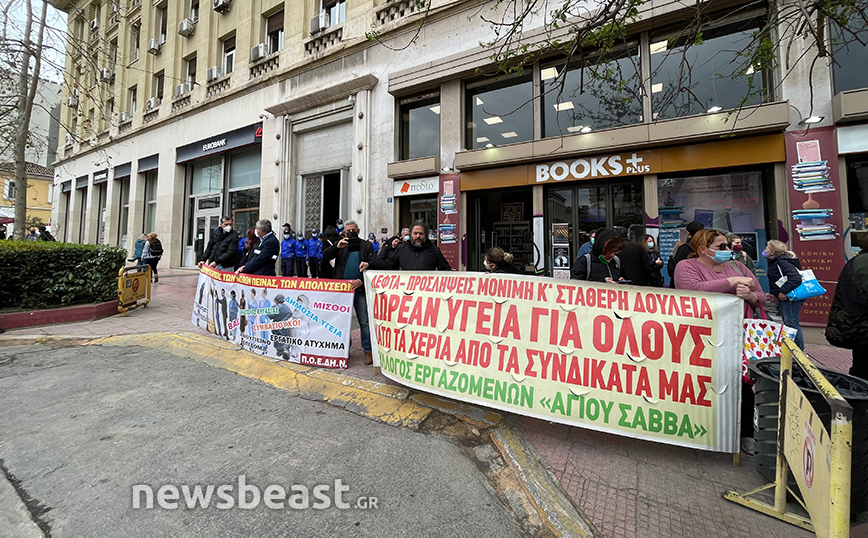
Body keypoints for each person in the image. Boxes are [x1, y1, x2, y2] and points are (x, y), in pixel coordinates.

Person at [673, 229, 767, 450]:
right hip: (700, 339)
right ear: (703, 249)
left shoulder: (739, 267)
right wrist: (732, 282)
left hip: (736, 339)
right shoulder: (687, 267)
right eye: (721, 246)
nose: (728, 250)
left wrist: (751, 296)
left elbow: (761, 296)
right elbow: (693, 290)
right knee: (701, 383)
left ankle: (745, 433)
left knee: (740, 384)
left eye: (727, 245)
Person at [322, 219, 381, 366]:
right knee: (342, 321)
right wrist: (336, 246)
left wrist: (362, 278)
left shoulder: (366, 245)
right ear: (344, 232)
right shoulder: (340, 245)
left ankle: (368, 350)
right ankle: (343, 349)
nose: (351, 233)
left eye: (353, 230)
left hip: (360, 288)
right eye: (348, 231)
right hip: (342, 290)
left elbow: (374, 263)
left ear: (358, 231)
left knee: (364, 321)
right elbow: (325, 256)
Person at [826, 235, 868, 380]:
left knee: (861, 368)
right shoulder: (863, 264)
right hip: (862, 328)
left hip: (857, 329)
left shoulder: (857, 261)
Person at [764, 240, 805, 350]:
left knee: (791, 323)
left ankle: (799, 351)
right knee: (788, 322)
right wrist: (774, 293)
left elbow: (795, 278)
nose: (765, 251)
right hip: (786, 295)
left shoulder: (781, 262)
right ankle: (793, 349)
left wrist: (783, 291)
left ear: (773, 252)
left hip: (790, 296)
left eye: (767, 248)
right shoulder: (776, 261)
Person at [383, 223, 452, 271]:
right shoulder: (401, 248)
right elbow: (387, 266)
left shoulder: (434, 250)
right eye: (415, 233)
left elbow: (446, 270)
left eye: (421, 234)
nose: (418, 236)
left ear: (425, 235)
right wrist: (386, 246)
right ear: (410, 235)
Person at [668, 221, 705, 288]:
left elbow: (678, 268)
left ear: (688, 233)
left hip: (687, 286)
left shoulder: (683, 249)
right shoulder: (707, 247)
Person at [268, 294, 293, 361]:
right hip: (285, 325)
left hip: (276, 326)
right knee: (285, 338)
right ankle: (286, 350)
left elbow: (270, 316)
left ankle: (279, 350)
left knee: (277, 338)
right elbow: (290, 314)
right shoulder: (286, 307)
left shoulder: (275, 307)